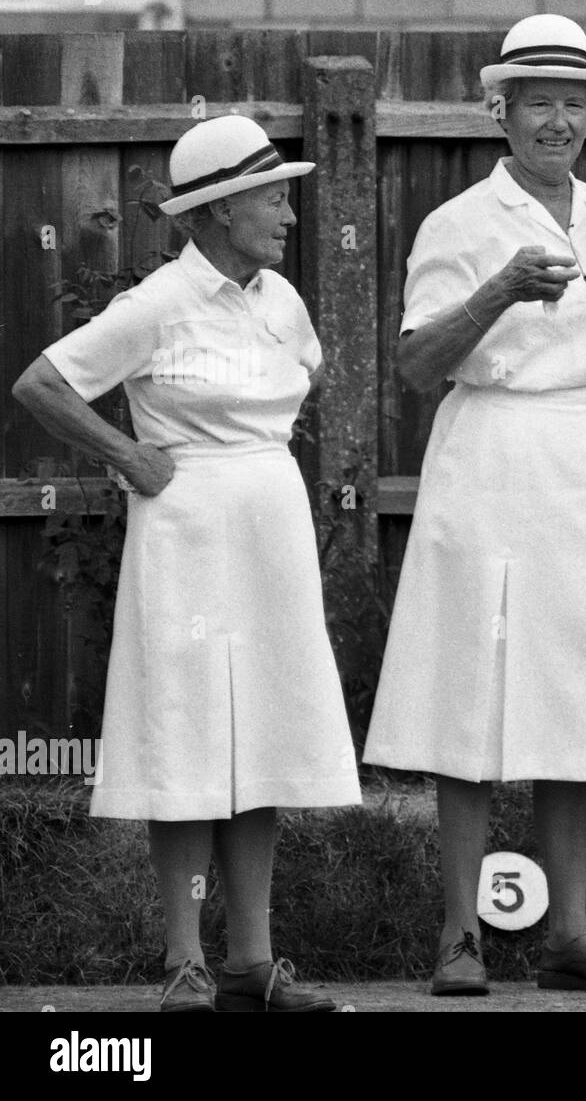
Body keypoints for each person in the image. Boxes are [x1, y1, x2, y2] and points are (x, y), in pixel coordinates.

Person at [362, 13, 586, 996]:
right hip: (491, 459)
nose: (556, 120)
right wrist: (500, 291)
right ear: (501, 112)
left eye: (572, 103)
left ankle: (565, 936)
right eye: (536, 102)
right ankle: (459, 939)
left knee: (577, 694)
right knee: (473, 689)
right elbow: (418, 366)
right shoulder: (458, 225)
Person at [11, 115, 362, 1012]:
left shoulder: (281, 299)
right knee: (188, 732)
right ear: (216, 210)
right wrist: (129, 456)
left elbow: (301, 383)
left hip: (270, 531)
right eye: (273, 197)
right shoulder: (159, 303)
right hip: (186, 535)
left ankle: (252, 961)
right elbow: (43, 383)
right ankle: (184, 962)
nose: (289, 214)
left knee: (264, 738)